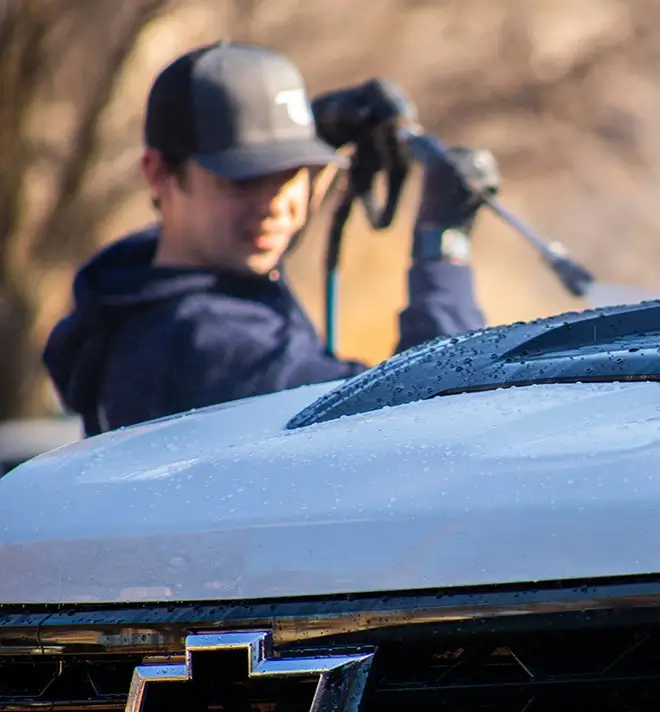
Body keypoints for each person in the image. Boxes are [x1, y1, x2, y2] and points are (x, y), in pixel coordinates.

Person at [41, 40, 500, 437]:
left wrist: (320, 132)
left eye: (292, 173)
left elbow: (252, 228)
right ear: (159, 173)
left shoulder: (132, 289)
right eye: (243, 180)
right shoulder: (210, 344)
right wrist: (441, 247)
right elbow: (432, 415)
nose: (277, 205)